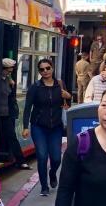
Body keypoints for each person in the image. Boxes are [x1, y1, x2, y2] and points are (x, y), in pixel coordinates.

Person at [22, 57, 70, 197]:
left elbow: (67, 106)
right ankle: (44, 186)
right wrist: (25, 126)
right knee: (42, 156)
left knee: (56, 158)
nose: (45, 71)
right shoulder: (35, 87)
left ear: (52, 68)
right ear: (39, 71)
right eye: (42, 69)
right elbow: (27, 108)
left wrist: (68, 96)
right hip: (38, 126)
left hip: (56, 127)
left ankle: (52, 173)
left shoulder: (60, 85)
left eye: (48, 68)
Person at [0, 58, 28, 169]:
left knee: (12, 136)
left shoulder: (7, 79)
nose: (10, 73)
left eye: (11, 71)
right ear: (2, 69)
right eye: (8, 71)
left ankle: (21, 160)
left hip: (6, 113)